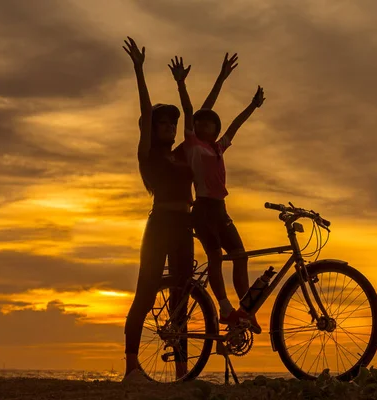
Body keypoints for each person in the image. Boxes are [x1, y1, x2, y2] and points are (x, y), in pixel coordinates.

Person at [122, 37, 239, 382]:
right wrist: (139, 70)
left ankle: (183, 371)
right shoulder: (149, 154)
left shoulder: (182, 151)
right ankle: (131, 367)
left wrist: (220, 78)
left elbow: (198, 117)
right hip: (159, 225)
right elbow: (144, 113)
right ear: (153, 129)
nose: (170, 128)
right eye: (164, 124)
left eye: (172, 125)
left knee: (182, 294)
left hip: (184, 224)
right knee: (145, 292)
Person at [169, 55, 265, 333]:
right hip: (203, 208)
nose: (203, 126)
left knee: (240, 255)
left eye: (209, 124)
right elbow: (190, 110)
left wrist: (252, 106)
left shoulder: (219, 147)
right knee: (214, 258)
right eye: (200, 124)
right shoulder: (192, 144)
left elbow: (235, 125)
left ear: (215, 129)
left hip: (220, 208)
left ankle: (246, 310)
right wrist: (181, 84)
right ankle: (225, 308)